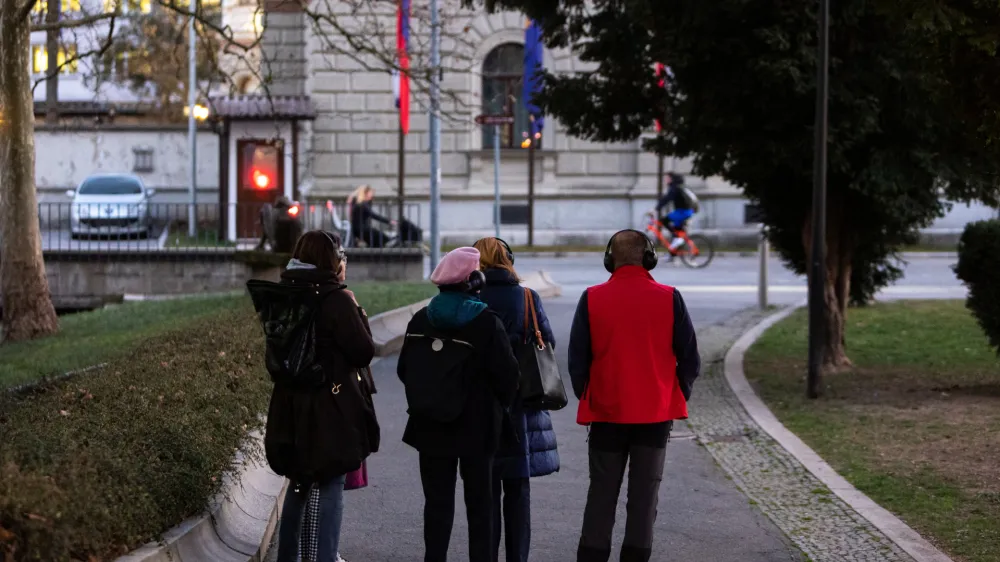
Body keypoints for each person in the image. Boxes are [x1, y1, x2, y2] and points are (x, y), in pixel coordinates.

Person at [568, 229, 701, 562]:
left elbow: (577, 361)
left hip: (607, 413)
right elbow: (690, 359)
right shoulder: (670, 297)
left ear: (609, 260)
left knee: (601, 493)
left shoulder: (592, 297)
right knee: (644, 498)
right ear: (649, 257)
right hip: (654, 414)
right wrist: (672, 393)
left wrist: (591, 394)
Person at [398, 247, 521, 562]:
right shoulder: (487, 323)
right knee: (481, 506)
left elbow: (404, 371)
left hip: (430, 426)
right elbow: (508, 378)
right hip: (478, 430)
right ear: (475, 280)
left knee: (437, 504)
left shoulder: (420, 320)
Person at [265, 230, 380, 562]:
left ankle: (290, 557)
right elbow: (362, 352)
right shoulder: (336, 299)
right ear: (332, 260)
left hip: (290, 406)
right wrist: (356, 308)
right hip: (331, 405)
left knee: (299, 483)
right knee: (330, 482)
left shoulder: (283, 296)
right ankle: (324, 556)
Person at [471, 237, 559, 562]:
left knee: (487, 491)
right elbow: (547, 343)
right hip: (523, 404)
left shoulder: (472, 297)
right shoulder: (526, 297)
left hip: (481, 407)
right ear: (509, 259)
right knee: (519, 492)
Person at [655, 172, 697, 252]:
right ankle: (673, 254)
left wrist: (656, 209)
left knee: (664, 221)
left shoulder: (675, 188)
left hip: (683, 212)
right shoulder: (680, 187)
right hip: (685, 211)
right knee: (677, 231)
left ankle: (678, 239)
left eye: (667, 178)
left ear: (672, 179)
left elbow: (666, 199)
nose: (665, 180)